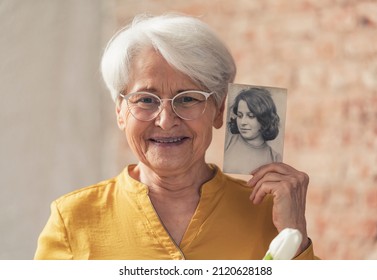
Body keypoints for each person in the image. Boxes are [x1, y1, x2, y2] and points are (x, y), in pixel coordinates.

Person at [34, 13, 317, 260]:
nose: (166, 121)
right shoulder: (72, 220)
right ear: (120, 112)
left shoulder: (268, 214)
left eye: (188, 99)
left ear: (219, 112)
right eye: (145, 99)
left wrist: (296, 238)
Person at [224, 87, 282, 174]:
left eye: (251, 116)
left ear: (264, 119)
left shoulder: (275, 158)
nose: (243, 122)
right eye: (240, 116)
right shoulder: (228, 141)